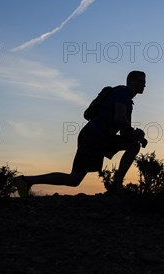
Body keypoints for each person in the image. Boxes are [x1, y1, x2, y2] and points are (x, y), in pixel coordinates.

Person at [15, 71, 147, 197]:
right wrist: (135, 134)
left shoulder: (128, 102)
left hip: (100, 137)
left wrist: (136, 135)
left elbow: (124, 131)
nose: (144, 84)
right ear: (131, 81)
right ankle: (116, 186)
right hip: (93, 137)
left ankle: (26, 180)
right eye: (141, 81)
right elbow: (119, 118)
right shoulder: (122, 92)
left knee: (74, 179)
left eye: (144, 82)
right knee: (74, 179)